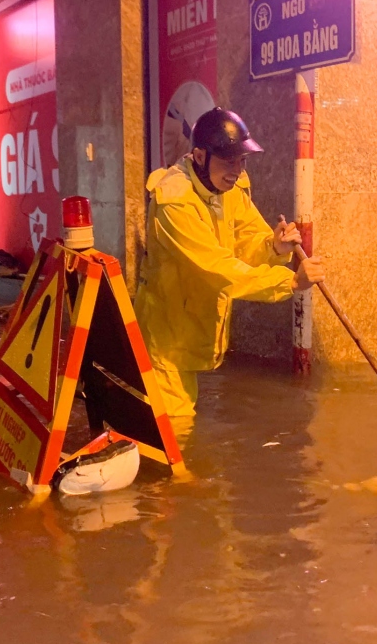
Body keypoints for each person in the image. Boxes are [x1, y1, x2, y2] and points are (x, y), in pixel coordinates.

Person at [135, 107, 325, 420]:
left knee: (180, 426)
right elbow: (218, 269)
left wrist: (273, 246)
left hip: (193, 324)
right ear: (198, 156)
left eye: (241, 160)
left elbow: (247, 239)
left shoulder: (227, 187)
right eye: (228, 161)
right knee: (173, 432)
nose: (236, 170)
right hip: (166, 337)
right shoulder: (174, 202)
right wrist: (289, 282)